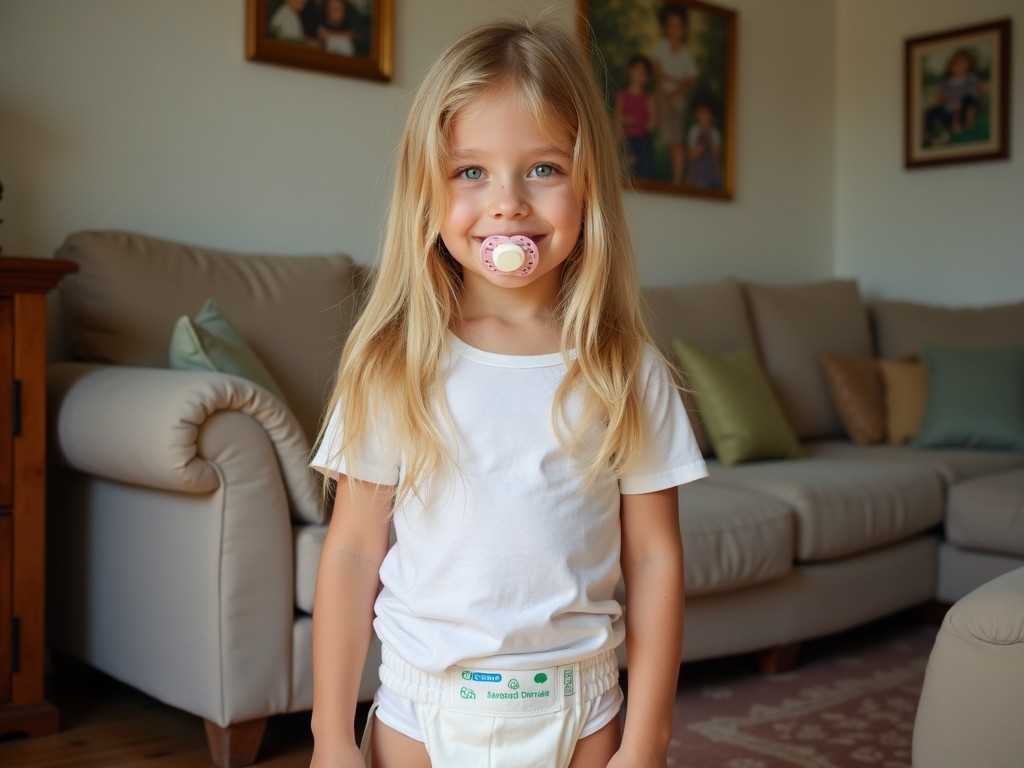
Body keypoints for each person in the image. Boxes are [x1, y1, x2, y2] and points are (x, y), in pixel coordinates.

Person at [308, 17, 707, 768]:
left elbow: (655, 559)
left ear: (589, 184)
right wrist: (331, 736)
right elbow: (355, 552)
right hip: (422, 708)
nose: (508, 203)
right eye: (471, 172)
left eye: (544, 169)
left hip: (582, 709)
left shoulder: (626, 367)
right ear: (427, 190)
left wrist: (648, 737)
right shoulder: (393, 363)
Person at [651, 4, 698, 186]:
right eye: (671, 25)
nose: (675, 29)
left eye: (678, 25)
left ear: (684, 28)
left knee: (675, 140)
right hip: (661, 95)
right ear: (666, 28)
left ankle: (677, 179)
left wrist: (673, 91)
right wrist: (672, 84)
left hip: (676, 100)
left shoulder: (685, 53)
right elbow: (657, 72)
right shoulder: (662, 46)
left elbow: (688, 82)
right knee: (657, 133)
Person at [925, 47, 982, 146]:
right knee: (933, 111)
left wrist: (966, 98)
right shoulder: (947, 82)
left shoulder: (970, 78)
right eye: (955, 63)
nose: (957, 67)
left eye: (962, 64)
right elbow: (941, 95)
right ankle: (932, 133)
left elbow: (977, 91)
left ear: (969, 66)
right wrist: (942, 99)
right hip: (950, 104)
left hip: (965, 103)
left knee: (968, 101)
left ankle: (966, 123)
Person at [616, 55, 658, 179]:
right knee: (626, 169)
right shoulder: (623, 94)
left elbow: (653, 120)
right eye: (637, 70)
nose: (639, 74)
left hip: (643, 138)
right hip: (627, 138)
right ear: (630, 71)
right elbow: (617, 118)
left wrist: (649, 123)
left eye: (643, 72)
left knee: (645, 169)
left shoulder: (648, 97)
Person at [684, 97, 722, 189]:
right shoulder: (694, 131)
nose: (704, 116)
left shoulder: (715, 133)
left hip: (711, 174)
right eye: (702, 113)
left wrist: (709, 142)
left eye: (707, 114)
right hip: (696, 174)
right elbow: (691, 155)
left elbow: (717, 156)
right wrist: (701, 147)